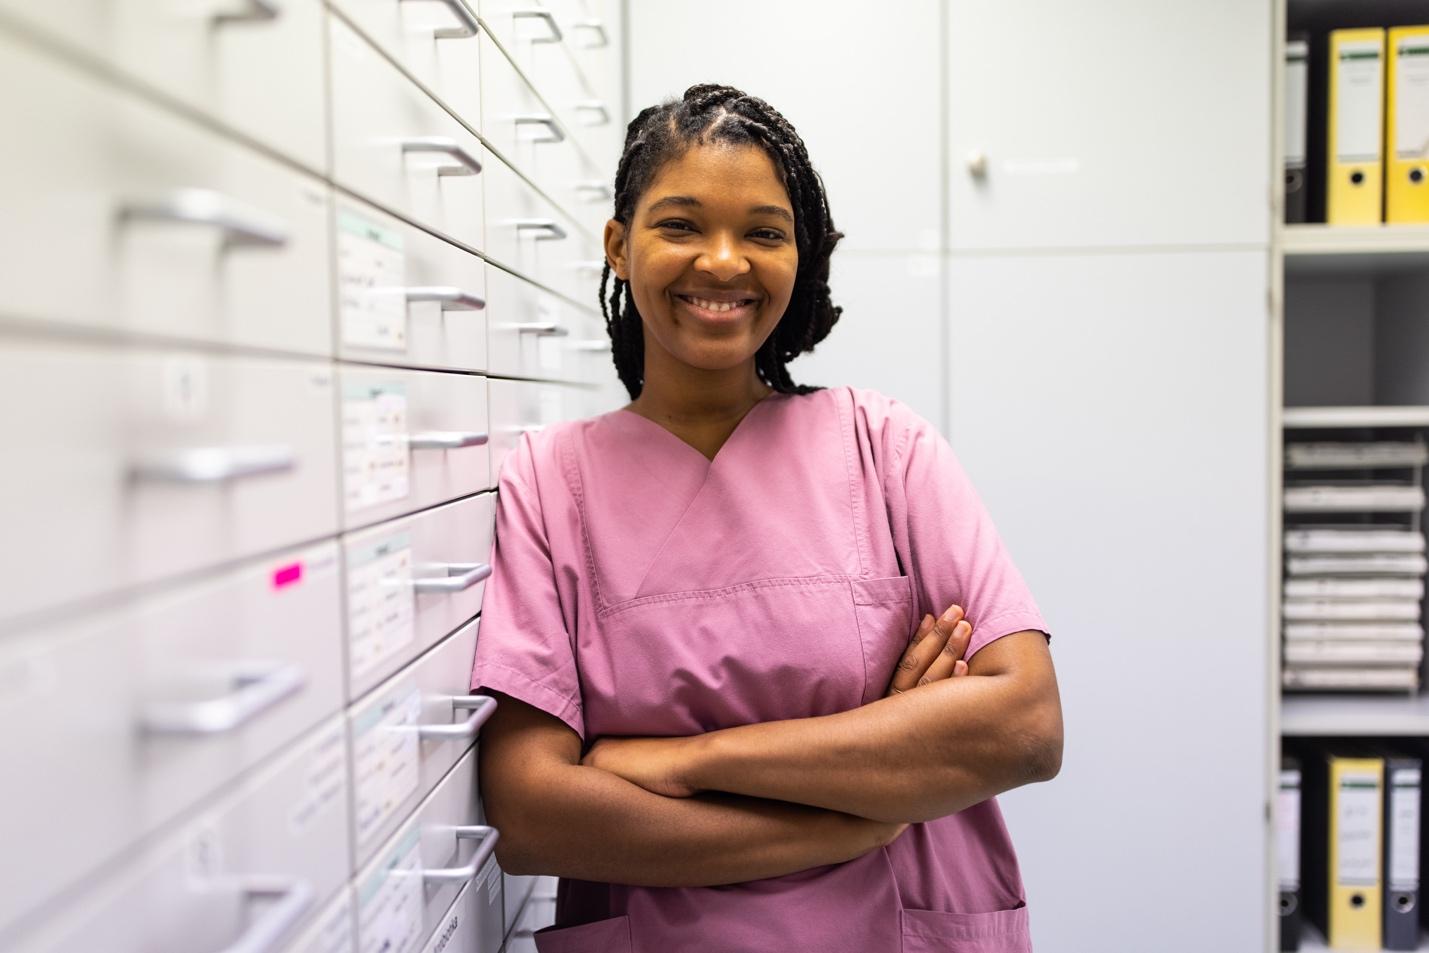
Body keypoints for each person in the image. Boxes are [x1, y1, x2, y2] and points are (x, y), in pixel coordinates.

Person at [471, 83, 1063, 953]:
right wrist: (854, 813)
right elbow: (530, 813)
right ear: (619, 246)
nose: (722, 262)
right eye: (680, 224)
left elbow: (1023, 727)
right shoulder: (551, 482)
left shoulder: (884, 447)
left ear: (802, 254)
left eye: (763, 232)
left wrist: (684, 760)